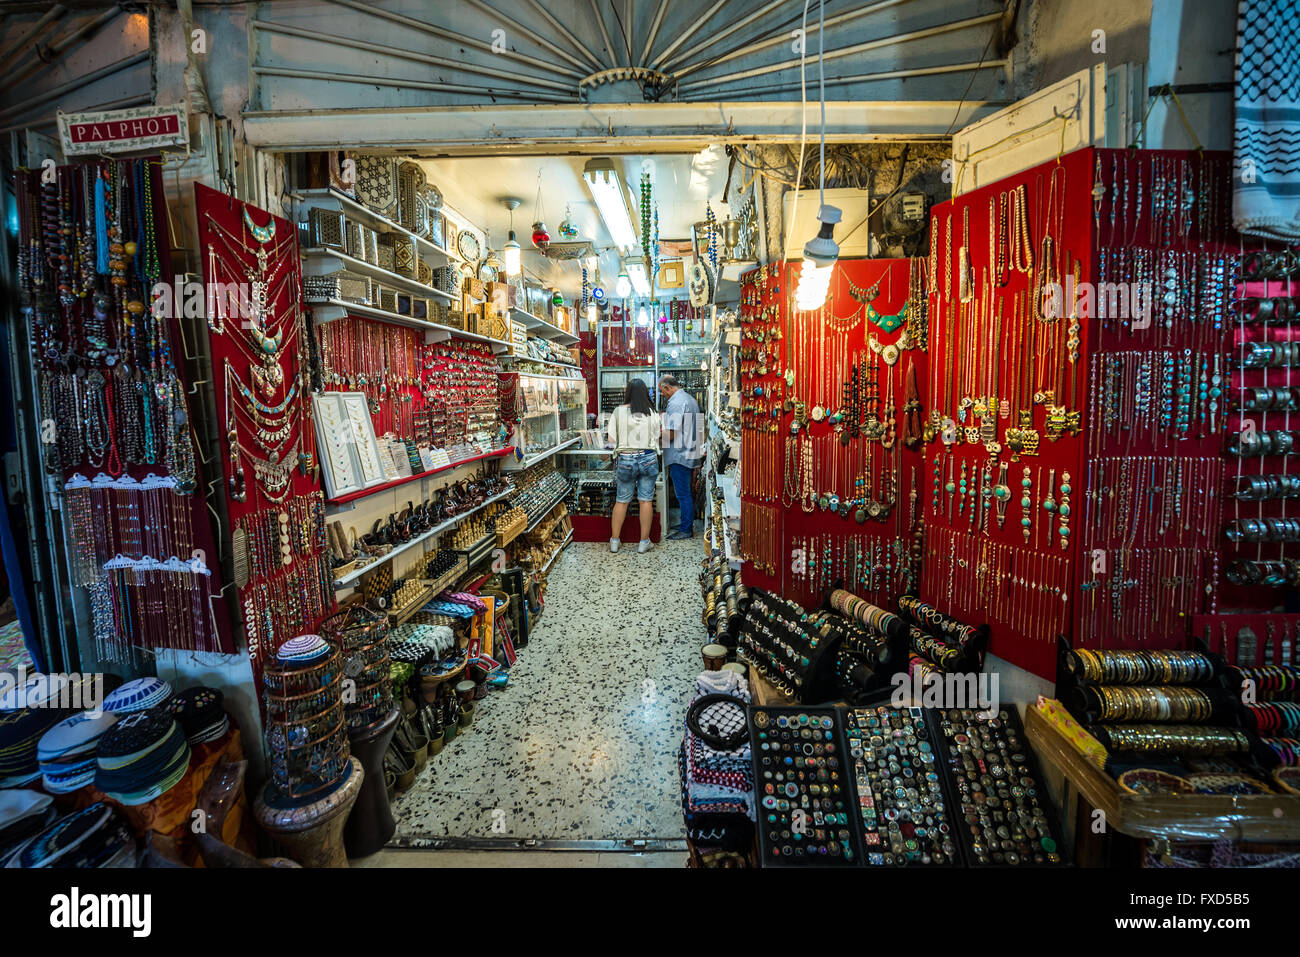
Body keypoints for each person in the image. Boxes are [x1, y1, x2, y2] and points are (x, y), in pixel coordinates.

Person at [605, 378, 661, 554]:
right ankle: (644, 542)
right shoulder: (653, 413)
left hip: (626, 458)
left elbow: (611, 440)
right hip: (648, 457)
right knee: (645, 501)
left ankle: (615, 541)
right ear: (645, 393)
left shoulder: (617, 412)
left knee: (621, 501)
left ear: (627, 392)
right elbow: (657, 437)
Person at [658, 373, 702, 540]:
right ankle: (686, 522)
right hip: (690, 451)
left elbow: (670, 435)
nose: (663, 395)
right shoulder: (689, 399)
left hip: (679, 454)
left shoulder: (675, 403)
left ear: (668, 387)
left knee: (682, 494)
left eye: (662, 391)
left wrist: (656, 431)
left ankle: (686, 529)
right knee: (685, 492)